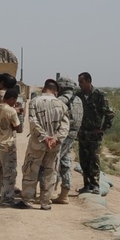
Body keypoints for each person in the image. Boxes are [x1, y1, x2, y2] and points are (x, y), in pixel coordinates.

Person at [21, 79, 70, 211]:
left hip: (37, 143)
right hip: (54, 146)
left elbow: (33, 121)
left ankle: (28, 200)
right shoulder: (61, 105)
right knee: (50, 173)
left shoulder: (35, 102)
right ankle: (45, 202)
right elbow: (65, 126)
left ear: (44, 88)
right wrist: (55, 139)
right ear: (56, 91)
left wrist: (44, 137)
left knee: (30, 171)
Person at [76, 73, 114, 193]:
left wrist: (102, 129)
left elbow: (110, 114)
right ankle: (86, 184)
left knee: (94, 160)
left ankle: (95, 185)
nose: (79, 84)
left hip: (94, 135)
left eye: (81, 82)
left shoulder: (99, 95)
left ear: (88, 81)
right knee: (83, 160)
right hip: (82, 133)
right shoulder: (78, 96)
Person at [0, 85, 23, 206]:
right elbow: (18, 128)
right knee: (9, 173)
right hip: (7, 145)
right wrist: (19, 113)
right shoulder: (11, 110)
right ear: (12, 99)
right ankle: (7, 198)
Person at [54, 75, 83, 204]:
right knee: (65, 162)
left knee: (52, 161)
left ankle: (46, 192)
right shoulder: (78, 100)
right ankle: (64, 193)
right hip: (73, 134)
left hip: (62, 134)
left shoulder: (61, 100)